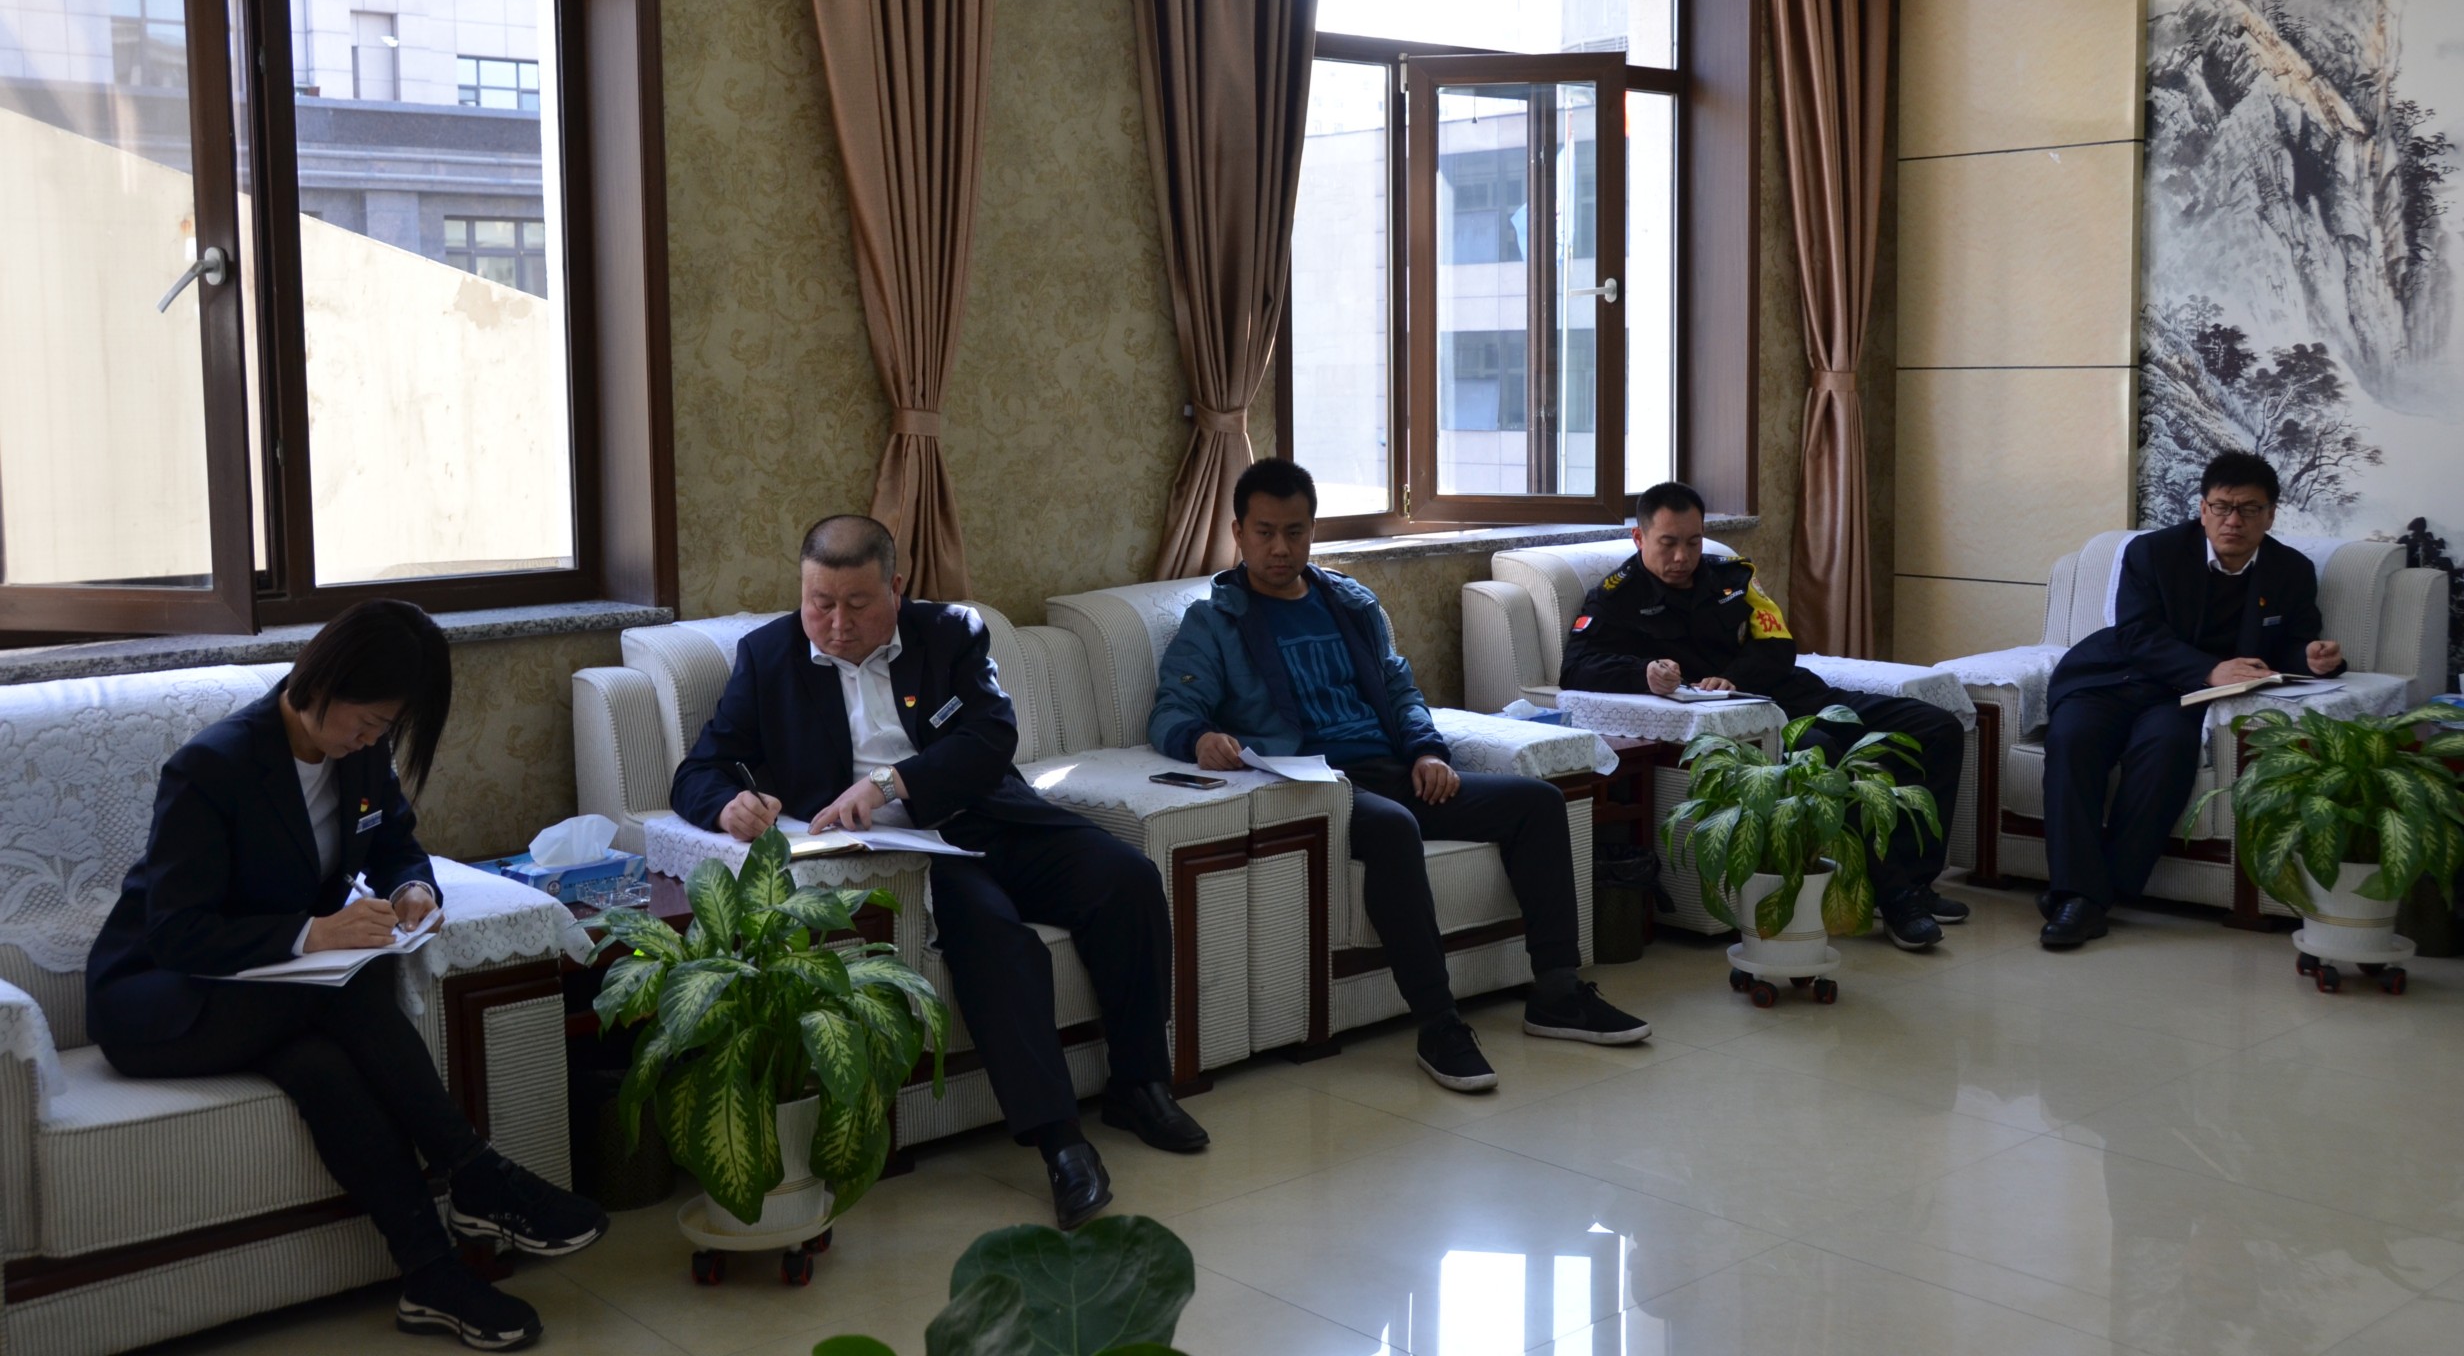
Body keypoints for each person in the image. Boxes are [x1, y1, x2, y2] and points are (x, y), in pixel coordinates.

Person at [87, 600, 606, 1353]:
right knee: (347, 987)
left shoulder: (360, 756)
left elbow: (394, 842)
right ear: (321, 682)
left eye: (385, 729)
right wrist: (313, 934)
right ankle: (476, 1173)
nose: (371, 740)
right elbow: (173, 933)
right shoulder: (213, 767)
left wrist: (414, 889)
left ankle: (431, 1277)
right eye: (367, 722)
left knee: (319, 1065)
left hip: (265, 998)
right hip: (159, 1000)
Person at [673, 515, 1205, 1230]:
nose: (836, 624)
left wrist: (890, 783)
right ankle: (1061, 1145)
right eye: (819, 603)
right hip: (911, 857)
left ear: (895, 587)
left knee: (1126, 878)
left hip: (992, 818)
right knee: (995, 939)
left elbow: (990, 736)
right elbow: (701, 769)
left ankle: (1140, 1086)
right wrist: (726, 806)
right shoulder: (769, 657)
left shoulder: (951, 633)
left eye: (857, 603)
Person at [1149, 458, 1649, 1095]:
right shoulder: (1215, 621)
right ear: (1238, 533)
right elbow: (1171, 712)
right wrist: (1199, 739)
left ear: (1312, 532)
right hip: (1319, 787)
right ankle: (1439, 1024)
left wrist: (1427, 752)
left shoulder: (1349, 603)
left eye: (1295, 532)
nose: (1280, 548)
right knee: (1392, 829)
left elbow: (1402, 691)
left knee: (1537, 803)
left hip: (1394, 769)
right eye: (1265, 532)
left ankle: (1557, 994)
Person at [1559, 481, 1967, 952]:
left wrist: (1733, 676)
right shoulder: (1616, 598)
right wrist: (1644, 674)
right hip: (1752, 727)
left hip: (1799, 695)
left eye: (1693, 542)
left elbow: (1778, 644)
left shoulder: (1733, 578)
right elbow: (1576, 667)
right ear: (1639, 538)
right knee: (1821, 752)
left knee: (1938, 727)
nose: (1682, 557)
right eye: (1667, 543)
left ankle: (1916, 881)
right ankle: (1897, 899)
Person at [2035, 450, 2345, 949]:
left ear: (2270, 515)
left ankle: (2084, 898)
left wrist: (2313, 657)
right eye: (2221, 507)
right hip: (2114, 678)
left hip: (2184, 698)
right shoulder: (2153, 552)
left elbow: (2292, 643)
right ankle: (2082, 895)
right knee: (2072, 741)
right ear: (2202, 509)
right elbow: (2136, 634)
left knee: (2167, 752)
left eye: (2249, 509)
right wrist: (2208, 668)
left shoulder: (2290, 570)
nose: (2233, 520)